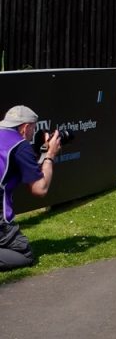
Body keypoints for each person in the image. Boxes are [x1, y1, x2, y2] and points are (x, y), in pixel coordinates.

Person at [1, 106, 61, 271]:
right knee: (24, 254)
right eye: (34, 129)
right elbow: (39, 189)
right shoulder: (20, 145)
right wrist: (50, 155)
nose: (33, 134)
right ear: (25, 127)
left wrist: (42, 152)